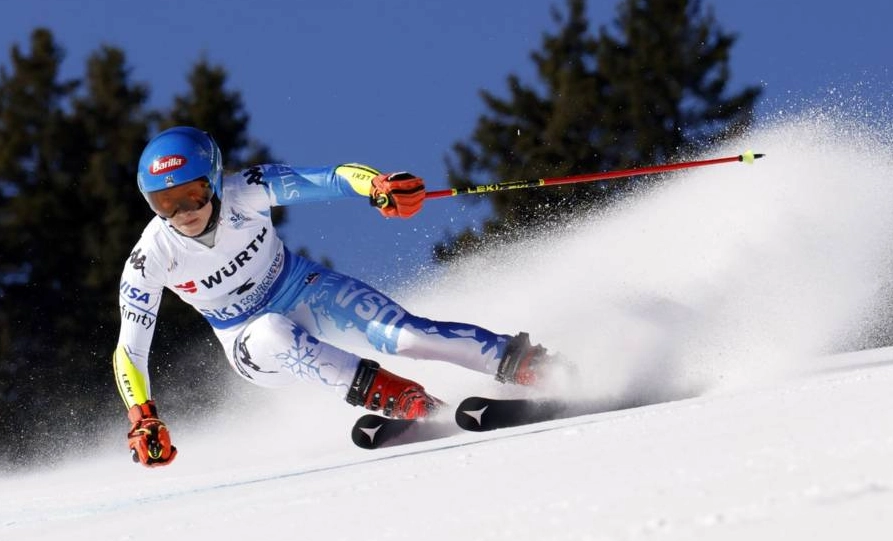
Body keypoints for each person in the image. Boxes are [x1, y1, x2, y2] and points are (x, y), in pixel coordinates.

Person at [115, 126, 557, 467]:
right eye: (164, 203)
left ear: (212, 180)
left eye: (191, 194)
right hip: (248, 342)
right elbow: (129, 352)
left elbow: (331, 178)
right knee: (272, 332)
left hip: (303, 288)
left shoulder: (246, 191)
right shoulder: (151, 257)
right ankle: (411, 403)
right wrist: (143, 416)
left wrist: (378, 186)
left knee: (406, 336)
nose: (183, 213)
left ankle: (538, 368)